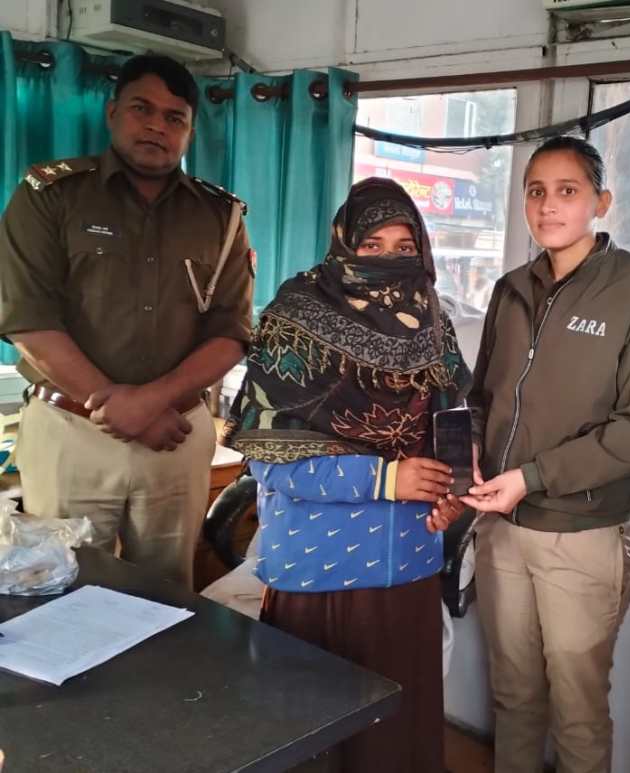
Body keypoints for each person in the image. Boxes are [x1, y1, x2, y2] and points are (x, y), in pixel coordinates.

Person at [223, 177, 471, 773]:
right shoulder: (296, 316)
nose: (389, 259)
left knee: (394, 743)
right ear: (344, 246)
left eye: (404, 246)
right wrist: (385, 480)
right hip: (320, 574)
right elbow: (270, 457)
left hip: (408, 566)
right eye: (371, 245)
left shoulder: (433, 321)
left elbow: (451, 429)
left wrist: (454, 490)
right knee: (315, 738)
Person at [461, 136, 630, 773]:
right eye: (536, 192)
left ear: (600, 202)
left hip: (581, 534)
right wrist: (469, 448)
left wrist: (532, 477)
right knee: (513, 696)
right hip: (501, 527)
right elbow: (482, 398)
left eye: (567, 191)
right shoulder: (510, 290)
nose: (548, 206)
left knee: (578, 712)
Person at [0, 54, 254, 588]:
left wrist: (150, 403)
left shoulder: (220, 216)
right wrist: (121, 406)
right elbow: (28, 317)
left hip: (175, 435)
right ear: (113, 112)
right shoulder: (50, 195)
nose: (157, 125)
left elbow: (231, 331)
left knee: (169, 593)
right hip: (71, 431)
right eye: (143, 109)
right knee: (61, 588)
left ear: (189, 132)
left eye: (174, 117)